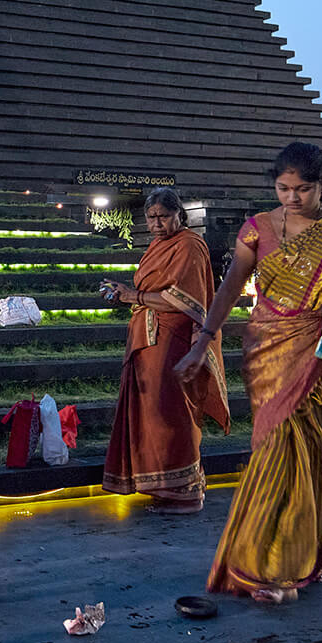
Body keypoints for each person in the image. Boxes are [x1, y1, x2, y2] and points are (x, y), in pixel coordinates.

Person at [193, 142, 322, 604]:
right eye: (283, 188)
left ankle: (302, 554)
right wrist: (204, 338)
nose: (292, 198)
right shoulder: (257, 230)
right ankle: (271, 566)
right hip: (270, 349)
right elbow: (230, 287)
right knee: (276, 451)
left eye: (303, 189)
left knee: (320, 457)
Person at [100, 186, 230, 514]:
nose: (157, 223)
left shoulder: (190, 245)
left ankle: (186, 492)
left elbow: (181, 299)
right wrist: (125, 294)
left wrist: (133, 297)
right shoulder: (159, 245)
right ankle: (163, 488)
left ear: (179, 215)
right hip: (147, 340)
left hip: (174, 340)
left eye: (163, 216)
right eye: (151, 217)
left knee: (171, 412)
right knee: (151, 413)